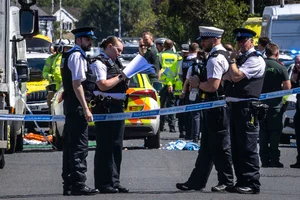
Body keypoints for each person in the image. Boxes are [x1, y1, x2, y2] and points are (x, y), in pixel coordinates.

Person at [176, 26, 233, 192]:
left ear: (215, 40)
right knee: (207, 147)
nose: (202, 43)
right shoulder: (220, 55)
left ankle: (226, 181)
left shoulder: (216, 58)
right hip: (213, 106)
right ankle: (196, 181)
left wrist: (197, 84)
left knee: (220, 146)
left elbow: (213, 86)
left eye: (205, 40)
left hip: (217, 106)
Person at [224, 28, 266, 194]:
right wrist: (232, 67)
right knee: (236, 146)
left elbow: (235, 76)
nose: (241, 44)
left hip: (247, 107)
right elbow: (226, 76)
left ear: (252, 42)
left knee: (247, 146)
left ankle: (251, 182)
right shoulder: (242, 58)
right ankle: (241, 180)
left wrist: (232, 62)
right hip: (234, 106)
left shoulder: (255, 59)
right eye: (239, 41)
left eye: (244, 40)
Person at [60, 26, 99, 196]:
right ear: (78, 40)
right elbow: (77, 85)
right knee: (79, 147)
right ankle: (78, 184)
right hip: (76, 107)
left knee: (70, 146)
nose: (90, 43)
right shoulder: (76, 56)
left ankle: (69, 183)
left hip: (72, 106)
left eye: (91, 40)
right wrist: (85, 108)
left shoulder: (74, 55)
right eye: (87, 40)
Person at [90, 36, 129, 193]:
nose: (120, 53)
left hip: (117, 107)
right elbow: (103, 85)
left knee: (117, 145)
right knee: (105, 146)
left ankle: (114, 180)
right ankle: (103, 183)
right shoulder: (99, 62)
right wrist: (121, 77)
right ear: (110, 46)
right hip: (105, 107)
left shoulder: (117, 62)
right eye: (118, 50)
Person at [259, 42, 291, 168]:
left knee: (262, 132)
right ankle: (274, 159)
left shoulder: (260, 65)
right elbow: (287, 87)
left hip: (260, 104)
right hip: (275, 105)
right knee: (274, 133)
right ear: (277, 53)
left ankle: (264, 159)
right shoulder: (280, 67)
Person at [43, 39, 74, 106]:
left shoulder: (70, 57)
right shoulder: (52, 59)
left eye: (70, 48)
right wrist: (50, 76)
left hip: (66, 87)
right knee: (52, 105)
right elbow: (45, 72)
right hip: (54, 88)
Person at [180, 43, 201, 141]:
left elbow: (182, 76)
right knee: (199, 114)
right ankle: (198, 134)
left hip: (190, 90)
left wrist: (183, 91)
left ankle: (189, 134)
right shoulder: (200, 62)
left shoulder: (184, 61)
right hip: (203, 90)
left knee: (190, 113)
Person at [159, 39, 180, 133]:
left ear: (164, 46)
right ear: (172, 46)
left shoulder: (160, 55)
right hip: (174, 83)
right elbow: (178, 71)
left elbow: (159, 69)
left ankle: (161, 126)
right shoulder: (177, 56)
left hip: (162, 83)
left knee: (162, 105)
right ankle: (172, 127)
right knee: (171, 105)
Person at [290, 54, 300, 168]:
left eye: (299, 62)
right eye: (296, 62)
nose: (298, 64)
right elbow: (292, 88)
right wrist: (294, 77)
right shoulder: (296, 73)